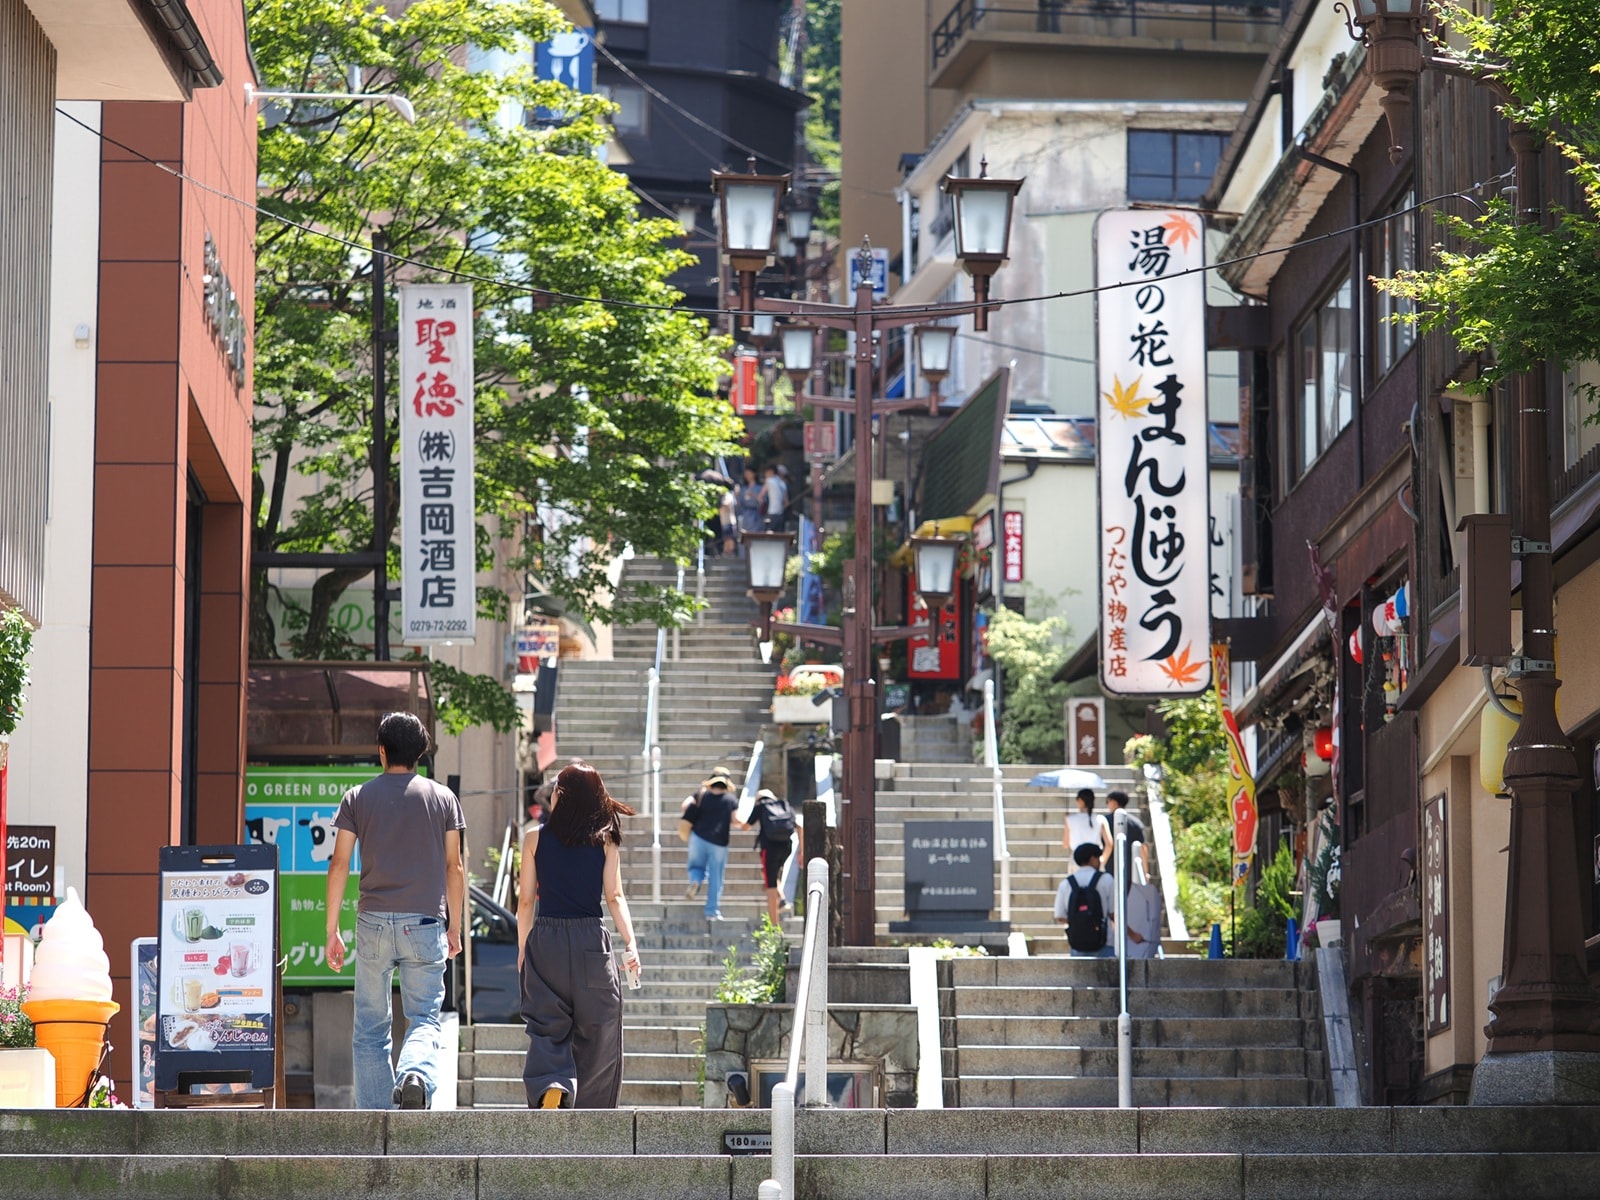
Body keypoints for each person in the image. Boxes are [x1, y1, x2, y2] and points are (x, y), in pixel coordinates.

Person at [325, 712, 466, 1110]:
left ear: (382, 752)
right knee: (423, 1016)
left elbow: (338, 864)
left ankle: (376, 1120)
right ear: (420, 753)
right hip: (424, 922)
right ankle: (416, 1074)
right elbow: (454, 867)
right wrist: (453, 927)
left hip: (372, 922)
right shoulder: (443, 799)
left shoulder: (358, 797)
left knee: (370, 1027)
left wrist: (331, 929)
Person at [516, 761, 642, 1109]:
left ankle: (552, 1084)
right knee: (600, 1027)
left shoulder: (534, 838)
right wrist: (630, 944)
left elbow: (526, 901)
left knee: (546, 1025)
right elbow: (615, 896)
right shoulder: (606, 840)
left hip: (546, 938)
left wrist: (523, 949)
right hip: (591, 941)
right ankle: (592, 1112)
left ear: (561, 795)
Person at [680, 769, 740, 919]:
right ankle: (711, 911)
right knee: (716, 877)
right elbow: (736, 820)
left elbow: (684, 806)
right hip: (719, 842)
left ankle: (695, 881)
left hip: (698, 838)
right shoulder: (730, 799)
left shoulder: (701, 794)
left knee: (696, 867)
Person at [739, 788, 797, 927]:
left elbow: (746, 826)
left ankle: (774, 926)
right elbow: (799, 826)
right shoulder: (784, 804)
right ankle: (782, 899)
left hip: (769, 849)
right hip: (787, 847)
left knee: (770, 885)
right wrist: (801, 852)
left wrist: (739, 822)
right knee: (769, 874)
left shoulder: (761, 806)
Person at [1054, 842, 1116, 958]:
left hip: (1077, 943)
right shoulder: (1106, 879)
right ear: (1093, 859)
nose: (1099, 861)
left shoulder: (1066, 883)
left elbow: (1059, 916)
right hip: (1105, 941)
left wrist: (1080, 920)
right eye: (1098, 858)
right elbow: (1114, 914)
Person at [1104, 789, 1149, 887]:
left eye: (1108, 801)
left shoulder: (1104, 822)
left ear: (1114, 802)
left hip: (1108, 870)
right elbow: (1143, 848)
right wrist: (1145, 872)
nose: (1107, 804)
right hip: (1131, 871)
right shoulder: (1136, 823)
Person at [1062, 787, 1113, 867]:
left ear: (1080, 801)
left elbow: (1065, 844)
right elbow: (1109, 844)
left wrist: (1067, 820)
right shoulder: (1100, 819)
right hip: (1095, 860)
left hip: (1077, 860)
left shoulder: (1070, 819)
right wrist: (1102, 861)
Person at [736, 466, 764, 538]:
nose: (747, 476)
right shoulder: (744, 488)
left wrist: (753, 495)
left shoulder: (760, 488)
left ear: (753, 474)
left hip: (756, 516)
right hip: (745, 516)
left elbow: (762, 502)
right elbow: (740, 503)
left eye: (749, 473)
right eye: (746, 474)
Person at [760, 464, 788, 532]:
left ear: (771, 471)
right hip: (781, 514)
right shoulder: (782, 483)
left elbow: (760, 497)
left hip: (771, 513)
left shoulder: (769, 480)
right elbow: (786, 503)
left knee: (769, 535)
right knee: (779, 536)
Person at [719, 486, 738, 556]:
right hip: (725, 520)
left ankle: (729, 551)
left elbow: (725, 505)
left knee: (729, 537)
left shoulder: (728, 496)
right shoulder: (727, 496)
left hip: (729, 520)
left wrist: (717, 511)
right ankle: (726, 551)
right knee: (726, 537)